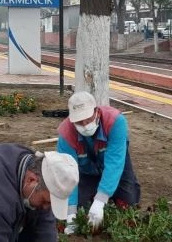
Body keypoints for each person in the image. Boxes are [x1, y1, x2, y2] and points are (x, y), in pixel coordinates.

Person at [57, 91, 141, 232]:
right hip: (86, 170)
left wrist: (100, 200)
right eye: (79, 121)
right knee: (81, 208)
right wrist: (71, 213)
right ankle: (96, 192)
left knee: (129, 202)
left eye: (88, 119)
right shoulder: (66, 134)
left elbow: (115, 162)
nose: (84, 125)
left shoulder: (115, 122)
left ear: (97, 111)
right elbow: (67, 174)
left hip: (116, 164)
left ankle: (109, 192)